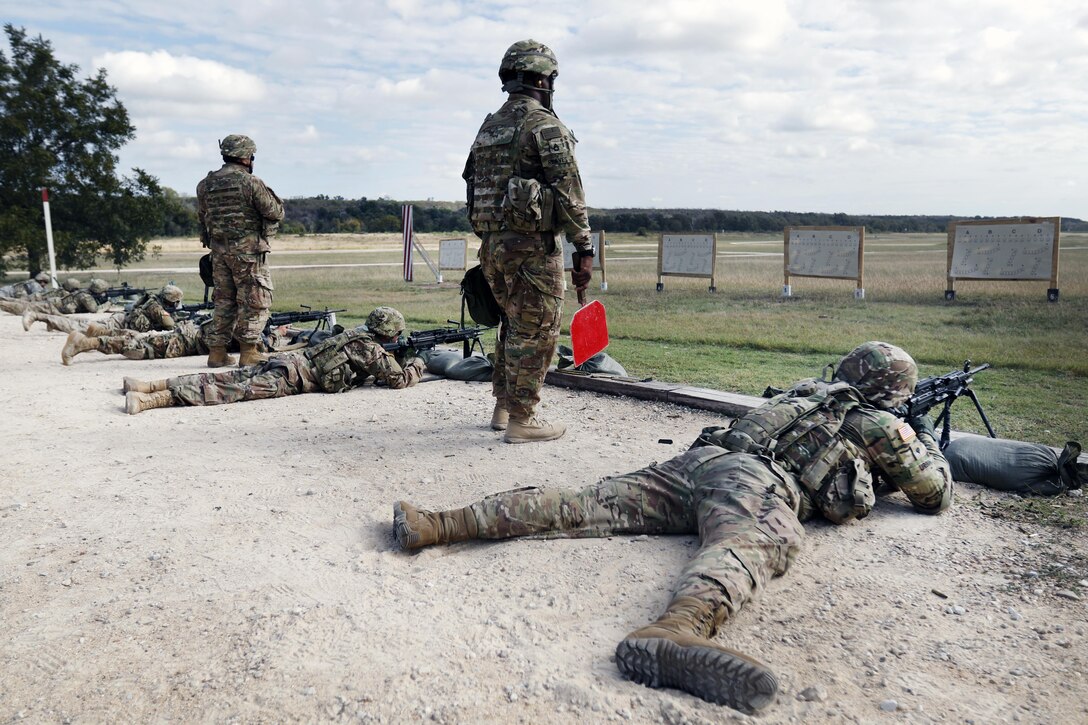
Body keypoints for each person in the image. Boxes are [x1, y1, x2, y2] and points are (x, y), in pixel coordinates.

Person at [392, 341, 954, 715]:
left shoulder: (803, 392)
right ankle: (676, 630)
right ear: (892, 391)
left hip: (700, 462)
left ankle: (438, 523)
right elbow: (933, 494)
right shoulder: (880, 423)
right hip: (753, 483)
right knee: (750, 543)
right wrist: (925, 440)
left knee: (586, 502)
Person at [462, 39, 594, 444]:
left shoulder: (489, 129)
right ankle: (523, 419)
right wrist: (584, 249)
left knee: (511, 325)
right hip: (533, 248)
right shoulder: (544, 125)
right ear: (542, 77)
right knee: (536, 330)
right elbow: (569, 190)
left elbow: (472, 185)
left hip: (492, 247)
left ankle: (503, 406)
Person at [123, 307, 426, 414]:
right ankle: (150, 401)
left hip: (288, 362)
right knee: (228, 390)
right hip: (290, 378)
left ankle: (149, 385)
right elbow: (398, 380)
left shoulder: (356, 335)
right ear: (387, 332)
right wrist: (417, 363)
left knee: (225, 377)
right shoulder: (371, 349)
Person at [197, 134, 285, 368]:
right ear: (246, 157)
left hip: (219, 252)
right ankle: (248, 352)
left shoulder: (205, 185)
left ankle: (217, 353)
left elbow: (203, 218)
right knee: (255, 299)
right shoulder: (250, 182)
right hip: (248, 253)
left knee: (224, 300)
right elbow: (274, 211)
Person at [24, 284, 183, 334]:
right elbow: (170, 326)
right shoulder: (156, 307)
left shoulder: (153, 300)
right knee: (79, 326)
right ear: (171, 301)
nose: (177, 304)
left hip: (121, 320)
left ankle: (51, 321)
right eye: (176, 302)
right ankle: (37, 316)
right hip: (118, 324)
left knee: (79, 322)